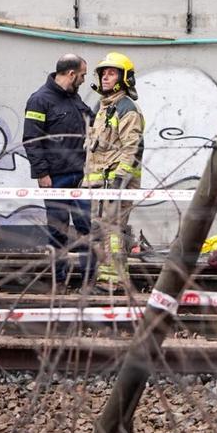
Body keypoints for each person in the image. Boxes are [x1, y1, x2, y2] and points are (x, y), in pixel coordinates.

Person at [23, 54, 93, 285]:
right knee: (58, 232)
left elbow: (93, 122)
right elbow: (31, 139)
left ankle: (88, 279)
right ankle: (59, 280)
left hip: (80, 177)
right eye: (82, 75)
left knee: (86, 228)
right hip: (55, 178)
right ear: (71, 74)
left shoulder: (74, 98)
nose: (83, 80)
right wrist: (42, 174)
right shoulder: (39, 100)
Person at [83, 52, 144, 294]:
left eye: (112, 73)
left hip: (117, 185)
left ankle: (112, 282)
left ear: (124, 78)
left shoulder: (126, 108)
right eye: (103, 73)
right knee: (103, 232)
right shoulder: (102, 107)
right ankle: (108, 279)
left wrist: (119, 181)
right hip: (101, 185)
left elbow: (132, 148)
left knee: (113, 233)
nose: (105, 78)